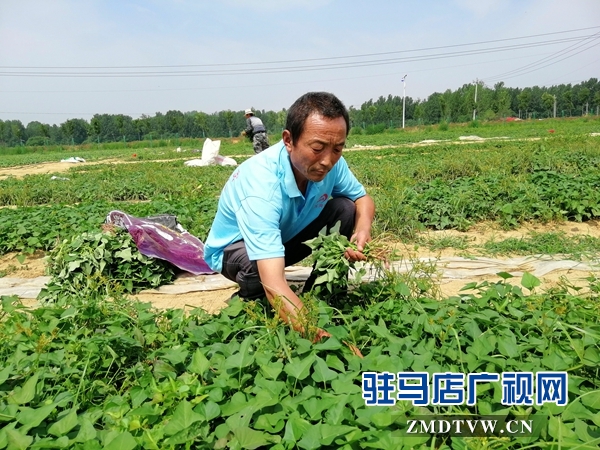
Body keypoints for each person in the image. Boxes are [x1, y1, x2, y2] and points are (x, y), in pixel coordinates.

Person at [205, 92, 375, 344]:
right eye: (317, 148)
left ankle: (319, 291)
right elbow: (273, 280)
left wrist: (362, 228)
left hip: (283, 242)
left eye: (337, 148)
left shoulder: (331, 163)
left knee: (345, 208)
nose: (327, 160)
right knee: (259, 271)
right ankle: (248, 303)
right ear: (289, 140)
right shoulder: (261, 186)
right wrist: (315, 333)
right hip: (235, 251)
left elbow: (362, 199)